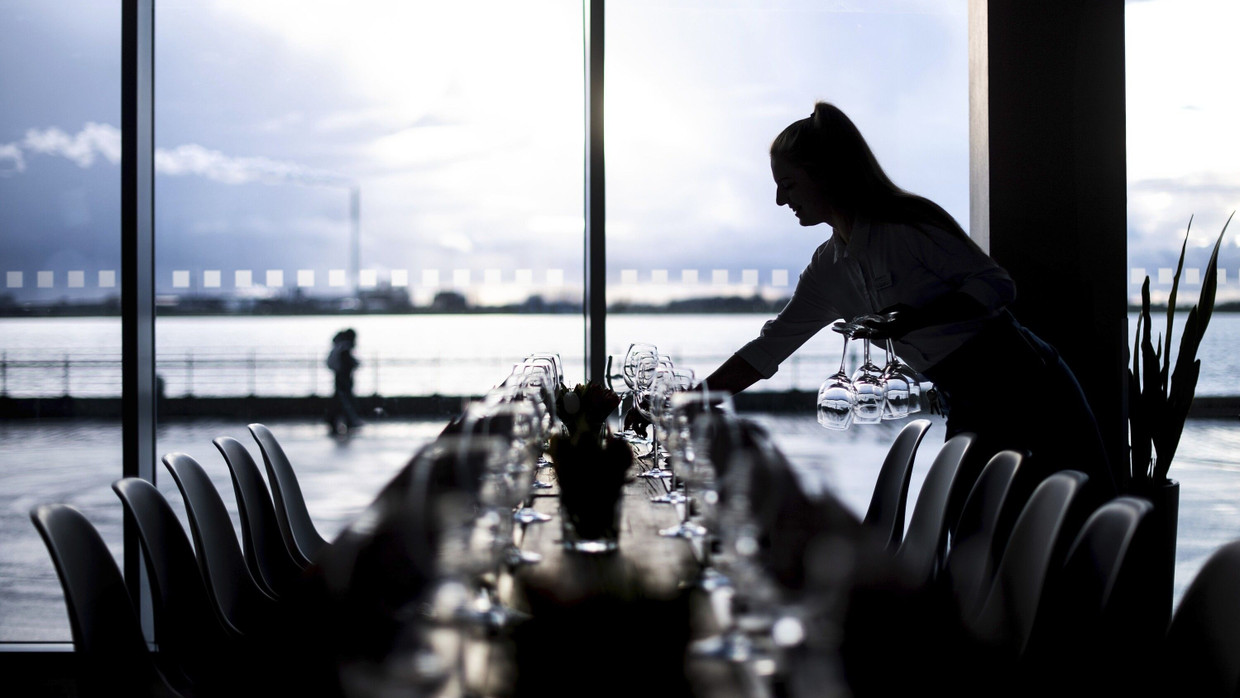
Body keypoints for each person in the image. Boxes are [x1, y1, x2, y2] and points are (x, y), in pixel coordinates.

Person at [698, 101, 1116, 516]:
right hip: (964, 398)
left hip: (1027, 382)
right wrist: (692, 399)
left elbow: (996, 285)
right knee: (975, 530)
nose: (778, 200)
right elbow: (769, 349)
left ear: (825, 174)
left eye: (788, 185)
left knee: (1075, 522)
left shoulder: (906, 226)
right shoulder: (828, 268)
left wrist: (919, 317)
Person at [326, 328, 362, 434]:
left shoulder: (339, 346)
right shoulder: (345, 348)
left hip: (339, 377)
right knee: (344, 400)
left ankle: (334, 421)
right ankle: (347, 421)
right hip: (343, 378)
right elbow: (348, 363)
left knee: (340, 400)